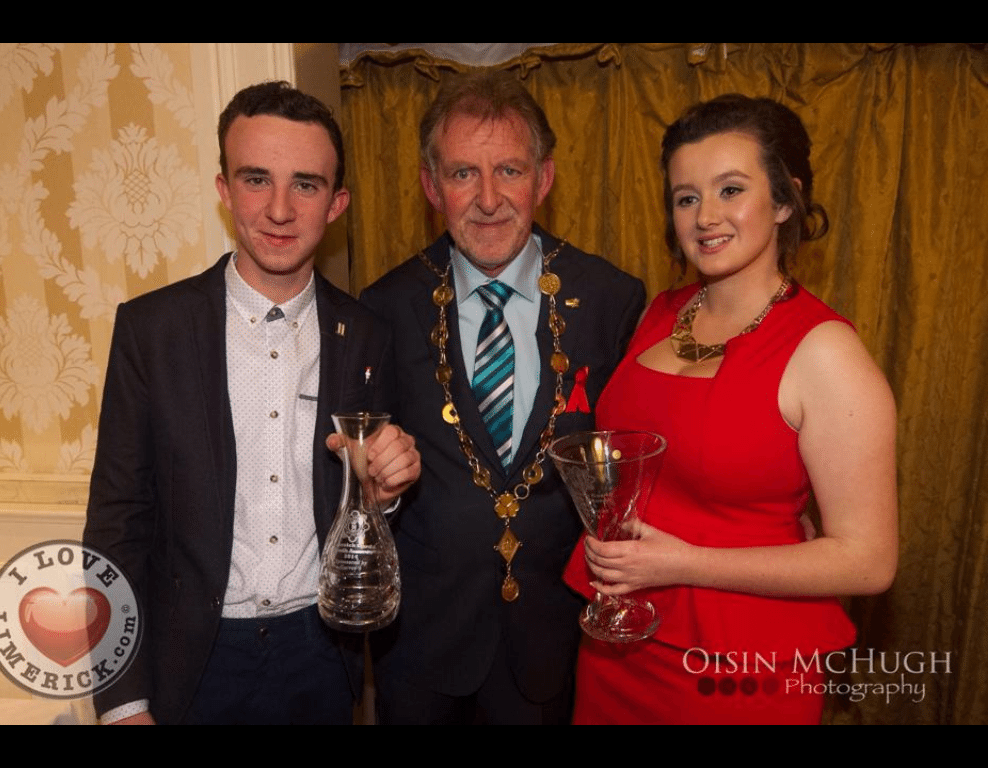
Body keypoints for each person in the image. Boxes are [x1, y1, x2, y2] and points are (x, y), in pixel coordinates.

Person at [83, 81, 420, 725]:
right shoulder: (151, 331)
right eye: (256, 179)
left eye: (306, 185)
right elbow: (115, 528)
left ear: (337, 202)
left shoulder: (367, 335)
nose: (279, 209)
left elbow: (368, 507)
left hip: (321, 654)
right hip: (190, 662)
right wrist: (121, 699)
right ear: (224, 189)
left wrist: (383, 493)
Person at [564, 94, 898, 724]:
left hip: (742, 671)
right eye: (686, 197)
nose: (705, 216)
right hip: (618, 648)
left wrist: (682, 562)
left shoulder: (826, 352)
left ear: (783, 201)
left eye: (730, 190)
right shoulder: (660, 312)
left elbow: (870, 560)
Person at [361, 71, 646, 724]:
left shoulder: (611, 300)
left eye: (509, 171)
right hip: (423, 649)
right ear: (433, 188)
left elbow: (630, 470)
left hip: (555, 640)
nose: (488, 199)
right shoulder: (385, 308)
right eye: (463, 174)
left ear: (542, 179)